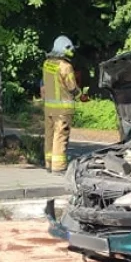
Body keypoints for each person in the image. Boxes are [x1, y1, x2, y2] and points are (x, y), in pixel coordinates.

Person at [42, 35, 82, 173]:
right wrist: (80, 95)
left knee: (49, 135)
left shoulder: (47, 64)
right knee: (60, 136)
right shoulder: (66, 66)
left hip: (49, 108)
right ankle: (58, 167)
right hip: (63, 109)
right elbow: (71, 87)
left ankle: (48, 164)